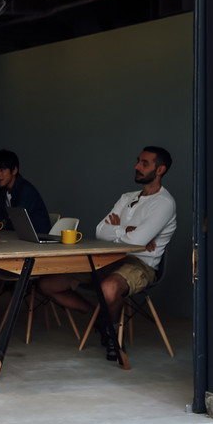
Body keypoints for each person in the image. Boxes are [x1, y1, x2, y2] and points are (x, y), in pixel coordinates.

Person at [38, 146, 177, 360]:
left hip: (140, 265)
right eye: (138, 161)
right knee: (47, 284)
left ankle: (113, 336)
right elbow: (100, 231)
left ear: (160, 170)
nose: (137, 166)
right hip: (109, 259)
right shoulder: (127, 197)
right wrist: (127, 231)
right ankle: (99, 318)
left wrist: (121, 231)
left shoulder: (164, 203)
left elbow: (137, 243)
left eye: (144, 163)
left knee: (109, 288)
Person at [0, 149, 51, 234]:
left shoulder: (25, 190)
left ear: (14, 170)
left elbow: (17, 223)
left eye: (2, 170)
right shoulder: (3, 191)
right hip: (19, 239)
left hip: (37, 240)